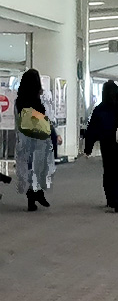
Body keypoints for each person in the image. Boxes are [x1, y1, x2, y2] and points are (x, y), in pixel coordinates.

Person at [84, 81, 118, 213]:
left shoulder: (100, 109)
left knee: (109, 171)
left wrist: (88, 148)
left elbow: (92, 129)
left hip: (107, 144)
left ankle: (110, 198)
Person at [14, 69, 56, 211]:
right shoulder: (40, 100)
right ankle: (37, 193)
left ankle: (32, 197)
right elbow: (46, 120)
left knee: (28, 167)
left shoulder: (18, 101)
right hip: (39, 139)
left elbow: (17, 120)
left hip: (24, 138)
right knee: (40, 167)